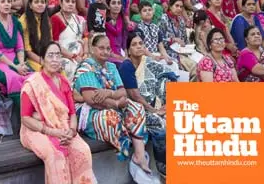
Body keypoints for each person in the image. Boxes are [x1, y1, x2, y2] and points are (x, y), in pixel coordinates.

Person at [73, 34, 153, 175]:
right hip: (90, 112)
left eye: (108, 48)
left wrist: (108, 93)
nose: (105, 51)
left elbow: (122, 91)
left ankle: (139, 155)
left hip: (110, 105)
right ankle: (125, 145)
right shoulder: (85, 67)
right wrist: (117, 102)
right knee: (112, 117)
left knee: (137, 107)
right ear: (92, 49)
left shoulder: (111, 66)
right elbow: (93, 100)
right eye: (101, 48)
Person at [20, 42, 97, 184]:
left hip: (64, 128)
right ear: (42, 60)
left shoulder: (64, 82)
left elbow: (72, 113)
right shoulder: (32, 84)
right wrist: (53, 132)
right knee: (55, 155)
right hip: (37, 130)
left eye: (58, 55)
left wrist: (72, 131)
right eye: (50, 55)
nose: (55, 59)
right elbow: (25, 119)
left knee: (83, 150)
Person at [118, 32, 177, 176]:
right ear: (128, 50)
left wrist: (164, 105)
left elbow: (169, 76)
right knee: (160, 123)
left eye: (141, 44)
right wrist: (154, 111)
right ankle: (163, 166)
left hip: (152, 106)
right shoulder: (127, 66)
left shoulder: (147, 61)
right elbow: (134, 95)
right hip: (134, 111)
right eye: (134, 45)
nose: (138, 47)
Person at [19, 0, 52, 72]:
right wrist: (44, 63)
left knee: (61, 71)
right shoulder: (24, 21)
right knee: (46, 72)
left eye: (42, 2)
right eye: (36, 2)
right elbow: (27, 51)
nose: (40, 4)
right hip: (29, 59)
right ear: (30, 5)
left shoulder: (46, 19)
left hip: (44, 56)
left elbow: (50, 42)